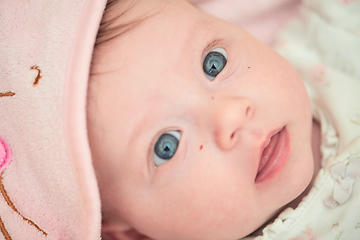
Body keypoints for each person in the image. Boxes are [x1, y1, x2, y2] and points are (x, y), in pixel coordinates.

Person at [0, 0, 359, 239]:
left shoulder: (337, 33)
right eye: (166, 146)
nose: (230, 116)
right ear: (129, 231)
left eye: (213, 63)